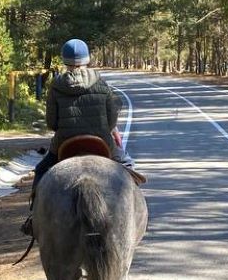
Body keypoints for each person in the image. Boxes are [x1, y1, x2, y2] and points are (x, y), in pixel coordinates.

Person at [21, 38, 145, 235]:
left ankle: (34, 218)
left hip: (65, 144)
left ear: (65, 61)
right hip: (101, 142)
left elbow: (52, 123)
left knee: (41, 170)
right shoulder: (102, 84)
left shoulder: (55, 86)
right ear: (87, 60)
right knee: (128, 166)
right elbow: (112, 121)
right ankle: (137, 213)